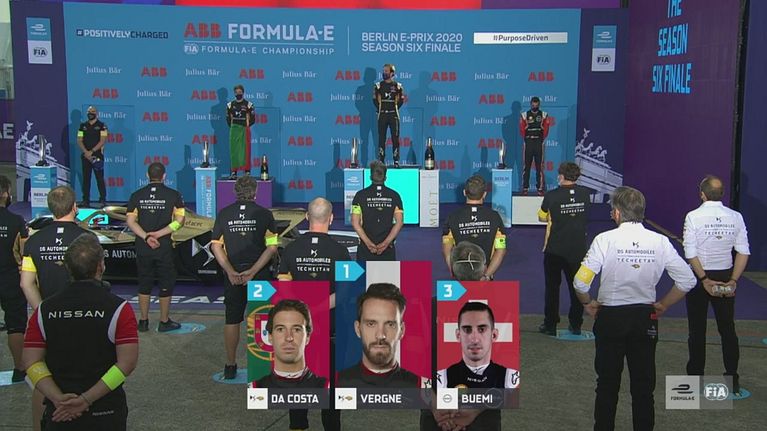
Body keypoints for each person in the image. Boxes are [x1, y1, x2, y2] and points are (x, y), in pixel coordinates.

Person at [573, 186, 696, 431]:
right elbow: (687, 280)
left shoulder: (604, 240)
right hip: (644, 318)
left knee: (606, 385)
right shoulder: (660, 241)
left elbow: (580, 282)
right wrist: (663, 304)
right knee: (643, 387)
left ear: (618, 213)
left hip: (611, 317)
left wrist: (587, 303)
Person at [22, 233, 138, 430]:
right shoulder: (119, 309)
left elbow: (31, 363)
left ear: (67, 267)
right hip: (105, 410)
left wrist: (57, 398)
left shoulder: (43, 310)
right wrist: (86, 399)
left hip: (60, 411)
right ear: (101, 266)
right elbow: (126, 364)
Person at [21, 186, 92, 431]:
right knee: (86, 374)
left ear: (51, 208)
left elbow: (26, 283)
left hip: (47, 321)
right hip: (84, 318)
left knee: (43, 379)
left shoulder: (34, 241)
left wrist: (42, 312)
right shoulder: (87, 239)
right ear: (75, 207)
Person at [277, 197, 350, 431]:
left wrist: (302, 310)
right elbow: (345, 293)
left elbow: (283, 288)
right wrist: (316, 309)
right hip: (331, 331)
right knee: (332, 392)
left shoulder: (291, 249)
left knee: (297, 388)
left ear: (307, 217)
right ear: (331, 218)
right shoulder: (341, 251)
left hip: (298, 333)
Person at [682, 175, 749, 395]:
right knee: (727, 329)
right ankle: (732, 378)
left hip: (699, 277)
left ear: (702, 194)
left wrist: (704, 279)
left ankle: (695, 380)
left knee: (697, 330)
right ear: (722, 194)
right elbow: (743, 252)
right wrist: (733, 281)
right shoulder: (736, 217)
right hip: (725, 275)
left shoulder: (693, 216)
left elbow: (690, 253)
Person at [211, 176, 279, 379]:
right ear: (255, 192)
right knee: (262, 317)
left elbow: (216, 246)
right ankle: (263, 367)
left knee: (232, 319)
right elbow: (272, 247)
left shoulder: (224, 214)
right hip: (259, 274)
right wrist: (253, 272)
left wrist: (230, 271)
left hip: (233, 276)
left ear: (235, 192)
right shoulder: (265, 214)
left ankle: (230, 365)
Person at [425, 302, 520, 431]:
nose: (474, 339)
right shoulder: (429, 307)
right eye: (467, 330)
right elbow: (410, 369)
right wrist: (435, 405)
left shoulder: (508, 375)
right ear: (458, 335)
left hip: (484, 418)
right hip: (437, 414)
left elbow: (513, 390)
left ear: (494, 335)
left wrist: (477, 408)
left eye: (482, 329)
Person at [126, 162, 185, 332]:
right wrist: (159, 234)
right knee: (166, 282)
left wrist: (146, 236)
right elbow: (180, 221)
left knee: (144, 282)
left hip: (143, 245)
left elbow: (130, 222)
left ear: (147, 175)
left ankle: (143, 321)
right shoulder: (174, 195)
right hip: (163, 245)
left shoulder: (136, 195)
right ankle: (164, 321)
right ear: (164, 176)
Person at [252, 299, 328, 431]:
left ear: (308, 337)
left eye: (296, 329)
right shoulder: (256, 386)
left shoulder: (324, 384)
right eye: (280, 329)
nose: (289, 337)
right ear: (269, 336)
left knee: (331, 405)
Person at [537, 162, 591, 335]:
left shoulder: (552, 196)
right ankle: (576, 324)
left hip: (554, 250)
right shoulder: (585, 194)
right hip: (578, 250)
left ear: (561, 176)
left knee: (552, 288)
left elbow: (541, 217)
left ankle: (550, 325)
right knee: (577, 288)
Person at [337, 283, 424, 388]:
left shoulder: (422, 388)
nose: (380, 335)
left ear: (401, 330)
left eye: (390, 324)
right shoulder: (335, 386)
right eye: (371, 324)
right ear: (358, 329)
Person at [443, 175, 507, 280]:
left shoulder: (452, 217)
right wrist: (486, 276)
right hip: (484, 277)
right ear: (485, 194)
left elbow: (447, 251)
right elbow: (501, 251)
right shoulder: (494, 217)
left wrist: (455, 272)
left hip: (460, 277)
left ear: (464, 192)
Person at [0, 175, 29, 382]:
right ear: (5, 193)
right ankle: (20, 369)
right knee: (16, 325)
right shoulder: (17, 221)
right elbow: (24, 252)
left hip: (9, 277)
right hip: (10, 278)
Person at [351, 160, 404, 261]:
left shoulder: (360, 195)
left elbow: (355, 222)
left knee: (363, 272)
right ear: (385, 177)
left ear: (370, 177)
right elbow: (399, 222)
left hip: (365, 250)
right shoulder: (395, 196)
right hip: (387, 250)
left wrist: (368, 243)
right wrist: (386, 243)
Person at [373, 63, 406, 167]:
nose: (384, 73)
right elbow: (374, 100)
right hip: (382, 114)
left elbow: (401, 101)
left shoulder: (398, 86)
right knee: (381, 138)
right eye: (383, 71)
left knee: (395, 138)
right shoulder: (378, 86)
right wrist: (380, 109)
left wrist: (394, 108)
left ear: (392, 73)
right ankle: (381, 160)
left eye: (386, 71)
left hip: (393, 115)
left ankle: (396, 161)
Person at [76, 106, 108, 208]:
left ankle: (102, 199)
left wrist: (92, 151)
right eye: (89, 111)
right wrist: (86, 152)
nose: (90, 113)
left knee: (99, 178)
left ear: (96, 113)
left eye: (92, 111)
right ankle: (86, 200)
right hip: (85, 156)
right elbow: (79, 140)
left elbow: (103, 140)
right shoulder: (82, 126)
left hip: (97, 156)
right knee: (86, 179)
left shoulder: (102, 126)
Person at [519, 96, 551, 196]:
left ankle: (540, 188)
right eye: (533, 105)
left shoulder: (544, 115)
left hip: (538, 142)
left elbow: (546, 129)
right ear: (530, 104)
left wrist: (541, 139)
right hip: (528, 142)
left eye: (536, 105)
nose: (535, 107)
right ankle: (525, 188)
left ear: (539, 105)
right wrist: (527, 139)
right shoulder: (524, 115)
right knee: (526, 166)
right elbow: (522, 129)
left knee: (539, 167)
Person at [226, 84, 256, 179]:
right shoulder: (230, 105)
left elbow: (253, 119)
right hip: (234, 129)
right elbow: (228, 119)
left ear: (243, 93)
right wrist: (234, 127)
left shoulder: (249, 105)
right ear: (234, 93)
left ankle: (247, 171)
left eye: (240, 92)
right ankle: (233, 172)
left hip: (244, 129)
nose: (238, 94)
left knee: (246, 150)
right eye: (236, 92)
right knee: (234, 150)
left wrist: (246, 125)